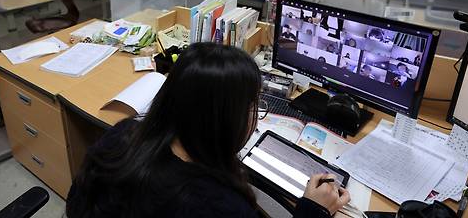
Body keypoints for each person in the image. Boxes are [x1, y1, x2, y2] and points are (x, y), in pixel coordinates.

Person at [66, 43, 350, 218]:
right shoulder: (217, 205)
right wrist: (313, 211)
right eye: (253, 106)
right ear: (224, 121)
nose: (254, 115)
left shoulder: (122, 134)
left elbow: (76, 206)